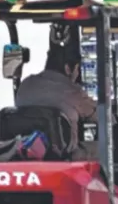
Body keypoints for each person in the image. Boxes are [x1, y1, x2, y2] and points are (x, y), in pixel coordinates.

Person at [14, 23, 98, 157]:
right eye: (77, 69)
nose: (77, 75)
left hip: (26, 151)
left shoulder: (26, 84)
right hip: (63, 156)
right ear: (67, 68)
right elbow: (98, 116)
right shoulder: (72, 91)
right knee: (101, 149)